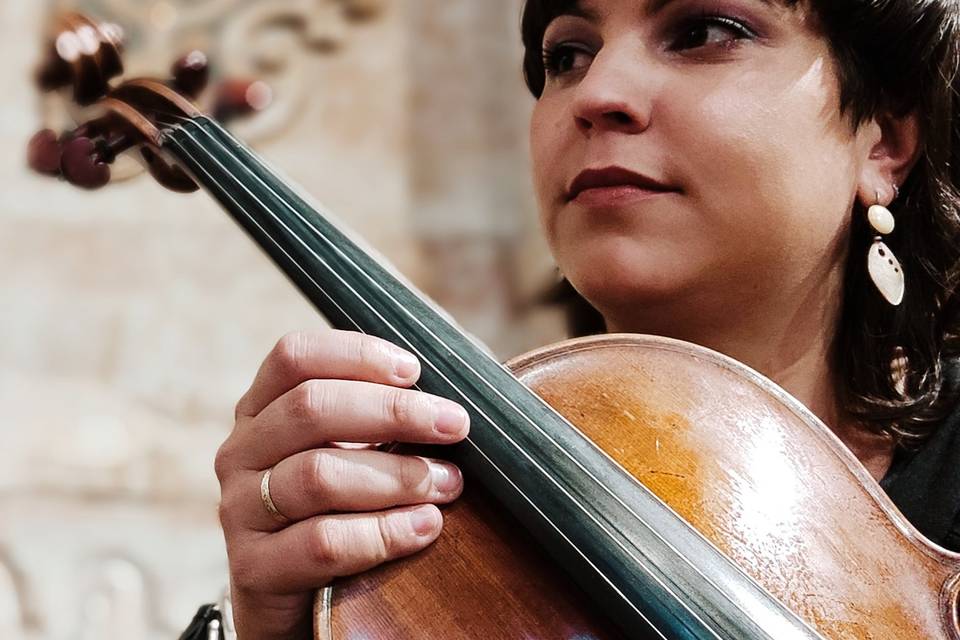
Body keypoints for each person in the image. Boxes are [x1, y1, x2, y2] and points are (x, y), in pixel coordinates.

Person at [202, 0, 960, 638]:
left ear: (884, 140)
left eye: (703, 32)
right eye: (567, 53)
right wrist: (267, 627)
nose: (598, 91)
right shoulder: (436, 520)